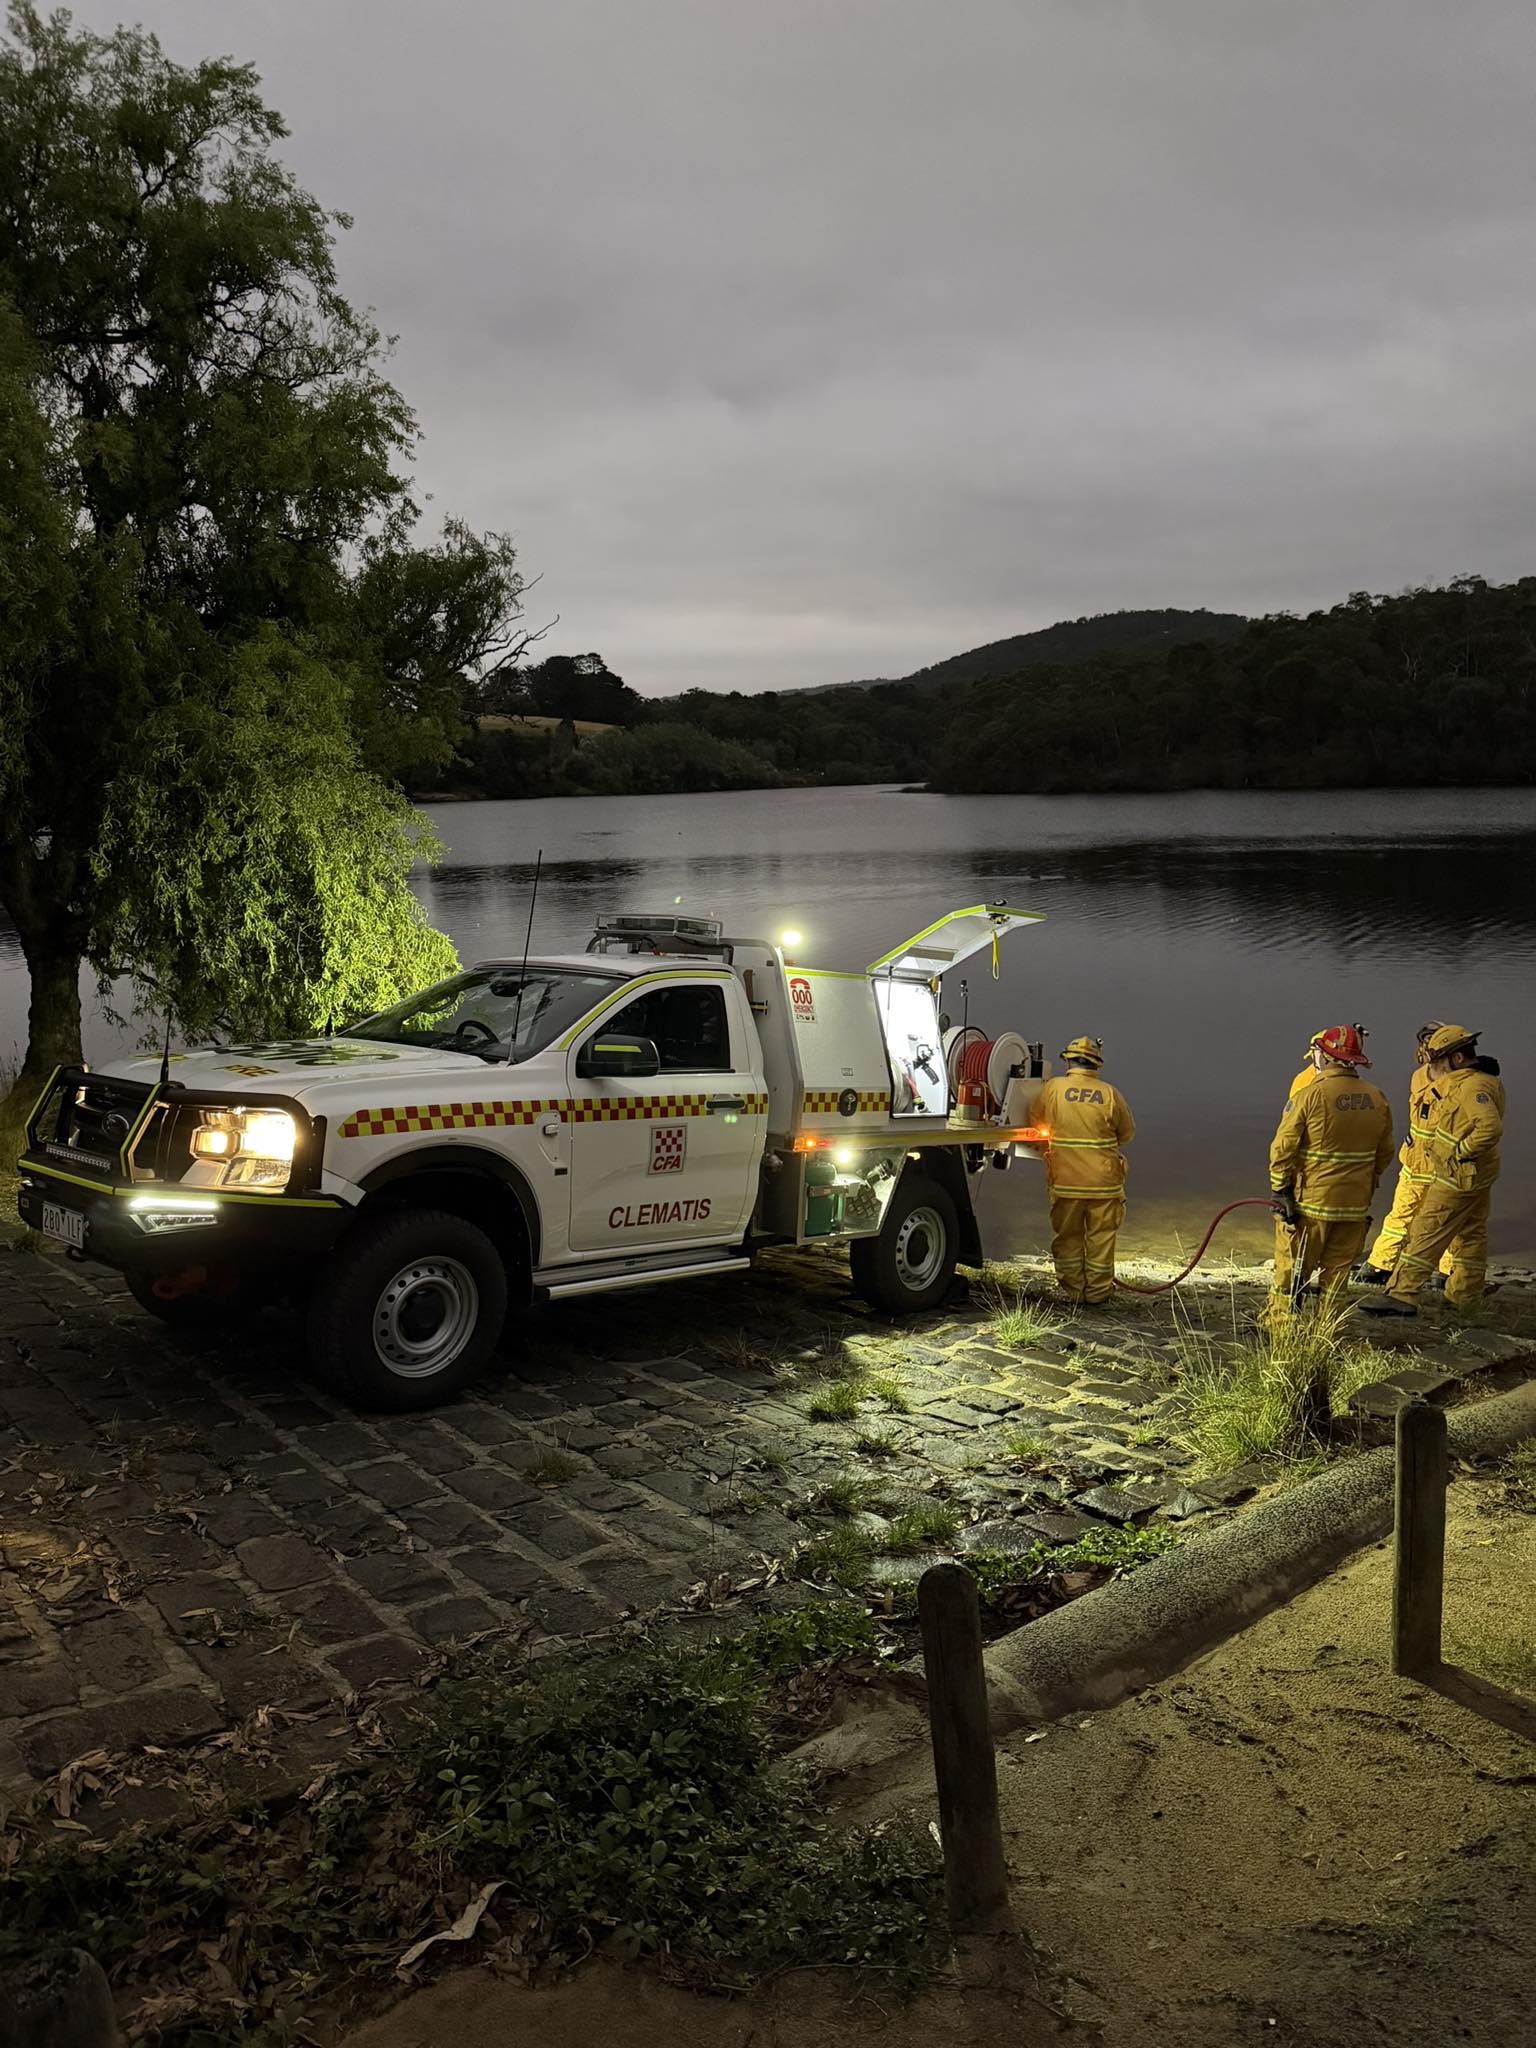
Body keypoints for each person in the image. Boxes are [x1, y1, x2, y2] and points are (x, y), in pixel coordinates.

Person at [1360, 1025, 1503, 1318]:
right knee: (1471, 1233)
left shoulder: (1471, 1087)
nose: (1432, 1066)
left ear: (1458, 1059)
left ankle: (1402, 1294)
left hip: (1458, 1173)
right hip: (1475, 1171)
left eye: (1438, 1061)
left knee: (1428, 1228)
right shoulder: (1475, 1081)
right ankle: (1465, 1295)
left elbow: (1489, 1128)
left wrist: (1459, 1152)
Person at [1267, 1024, 1393, 1318]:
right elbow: (1385, 1153)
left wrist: (1280, 1190)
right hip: (1355, 1206)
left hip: (1310, 1205)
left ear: (1324, 1056)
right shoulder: (1377, 1098)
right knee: (1337, 1276)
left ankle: (1283, 1330)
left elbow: (1282, 1148)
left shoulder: (1310, 1095)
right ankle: (1329, 1333)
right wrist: (1365, 1182)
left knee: (1291, 1270)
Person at [1027, 1036, 1135, 1305]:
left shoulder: (1053, 1088)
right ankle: (1098, 1294)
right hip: (1104, 1183)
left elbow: (1035, 1120)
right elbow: (1127, 1134)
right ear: (1096, 1065)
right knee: (1101, 1239)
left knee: (1068, 1238)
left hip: (1066, 1182)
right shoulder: (1110, 1093)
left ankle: (1074, 1292)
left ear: (1068, 1061)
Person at [1356, 1022, 1446, 1285]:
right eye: (1426, 1042)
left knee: (1446, 1215)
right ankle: (1381, 1264)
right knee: (1401, 1212)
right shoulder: (1419, 1076)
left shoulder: (1463, 1084)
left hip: (1446, 1163)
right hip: (1416, 1159)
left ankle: (1448, 1271)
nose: (1429, 1048)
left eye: (1435, 1042)